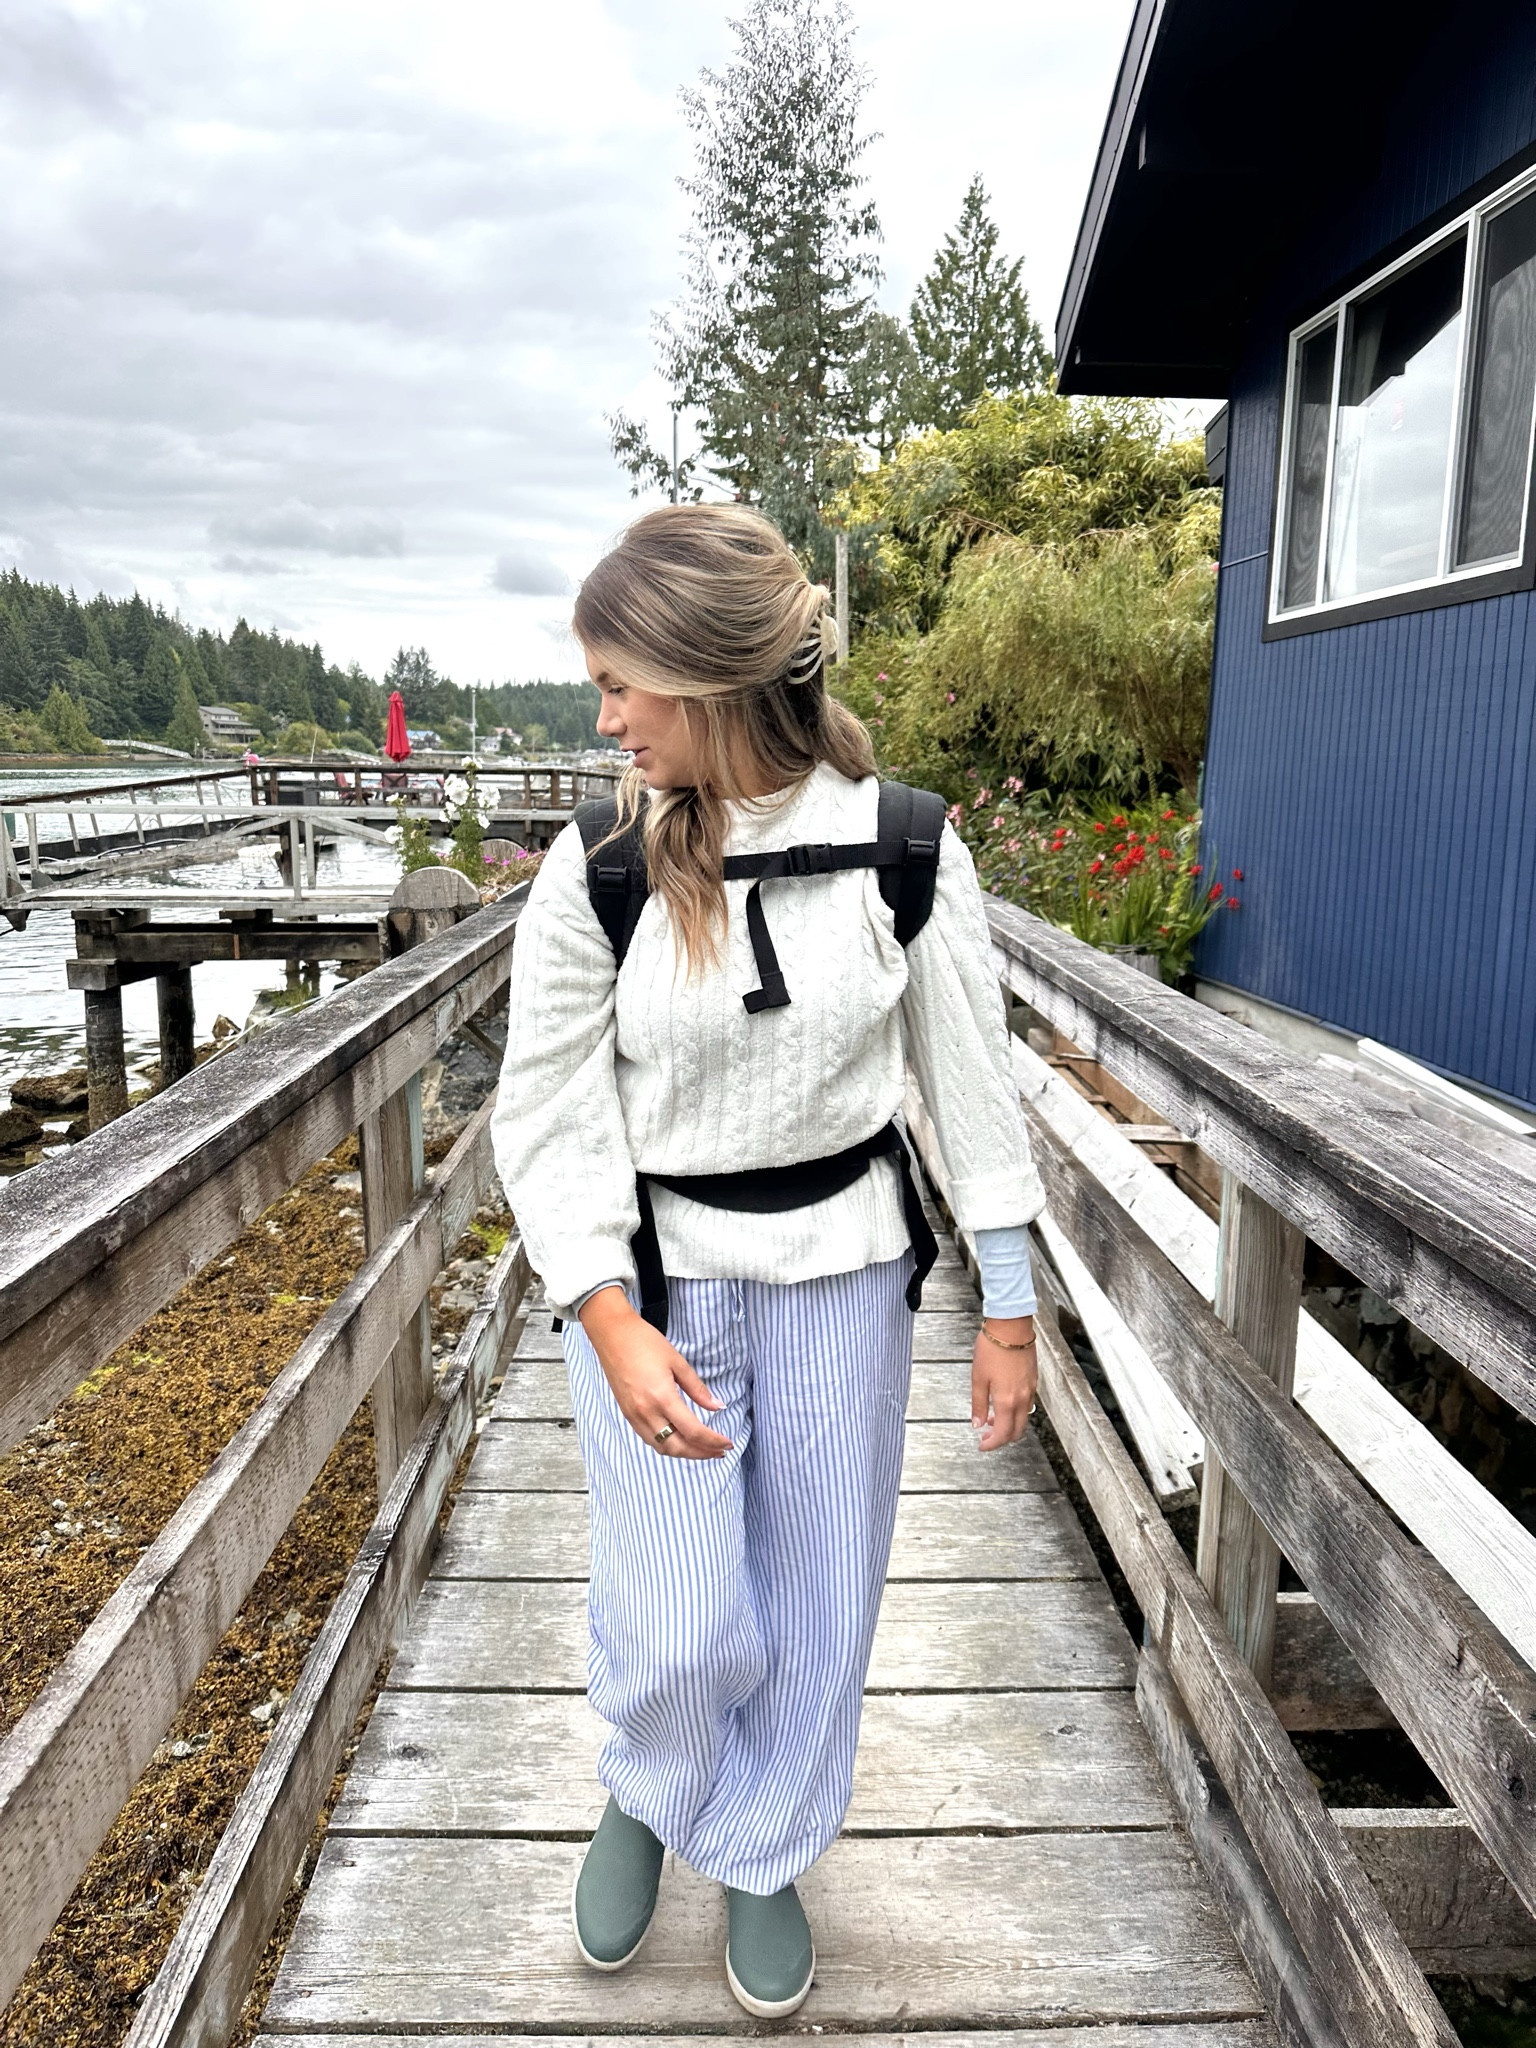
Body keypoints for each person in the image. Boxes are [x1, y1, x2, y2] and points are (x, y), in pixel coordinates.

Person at [491, 504, 1045, 2019]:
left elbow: (972, 1088)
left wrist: (1008, 1310)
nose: (604, 720)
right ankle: (649, 1780)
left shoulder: (903, 846)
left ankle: (765, 1844)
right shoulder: (599, 866)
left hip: (842, 1279)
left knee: (813, 1598)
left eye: (620, 685)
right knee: (674, 1611)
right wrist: (601, 1311)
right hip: (654, 1287)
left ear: (710, 677)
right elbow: (546, 1111)